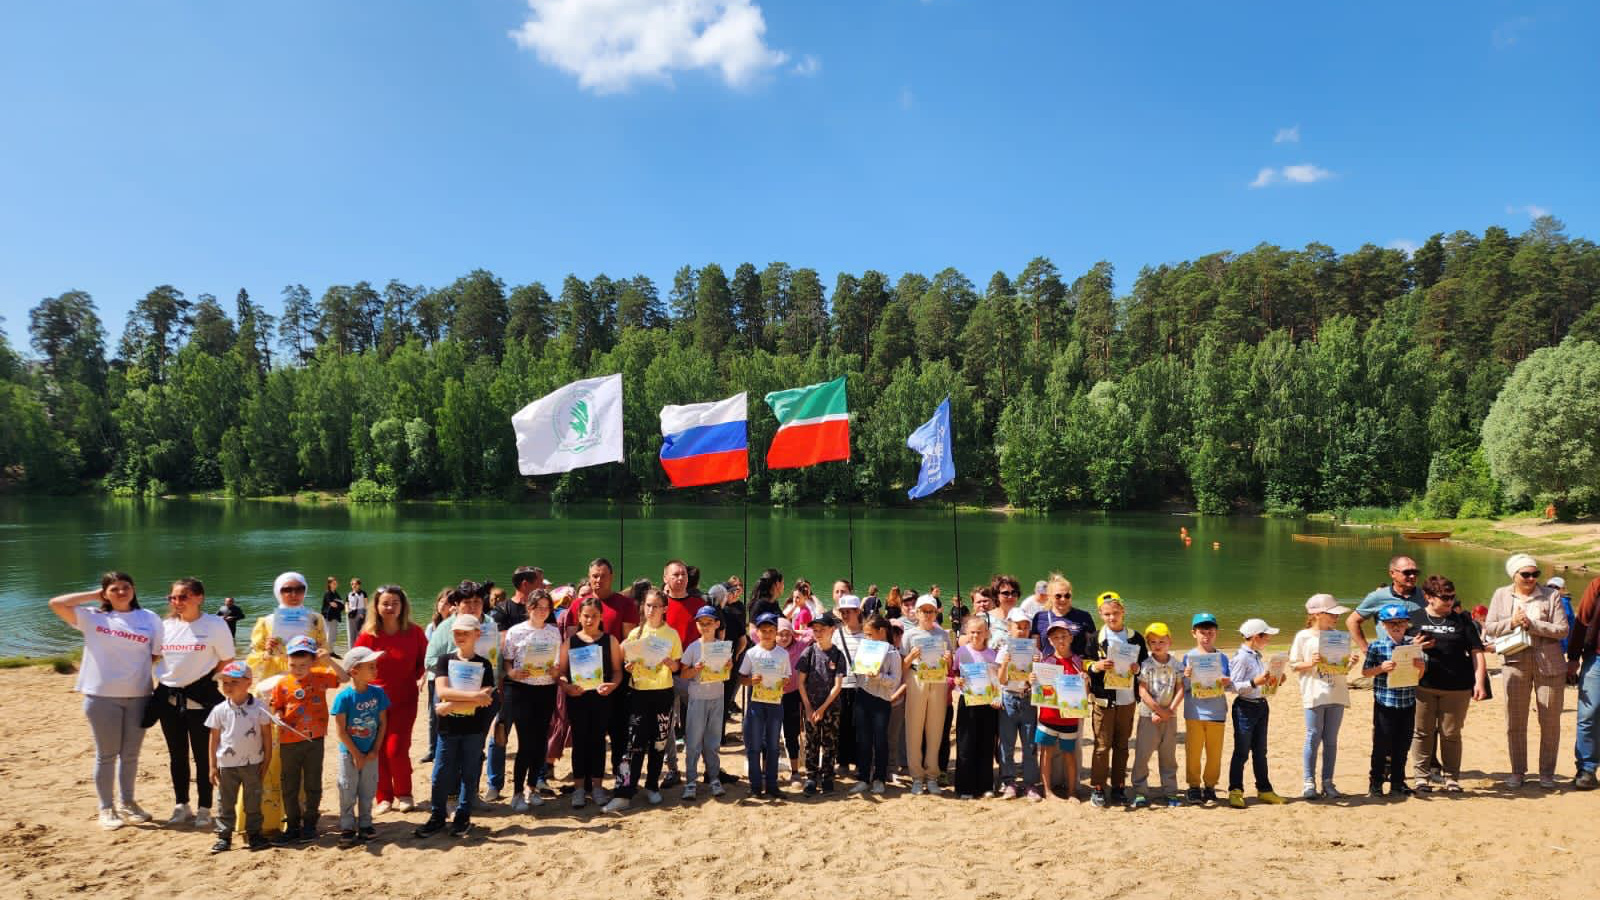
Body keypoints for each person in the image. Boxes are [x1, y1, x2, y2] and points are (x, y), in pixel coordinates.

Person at [49, 572, 162, 830]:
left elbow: (154, 655)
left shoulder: (150, 618)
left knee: (131, 755)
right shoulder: (92, 617)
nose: (121, 592)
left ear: (134, 589)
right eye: (114, 589)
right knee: (107, 755)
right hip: (101, 696)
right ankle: (106, 808)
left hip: (140, 695)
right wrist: (93, 596)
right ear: (105, 593)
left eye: (126, 587)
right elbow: (56, 603)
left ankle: (128, 803)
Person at [243, 571, 327, 837]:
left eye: (298, 589)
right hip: (271, 691)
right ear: (278, 592)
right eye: (287, 589)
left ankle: (300, 816)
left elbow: (324, 654)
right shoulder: (266, 622)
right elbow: (253, 661)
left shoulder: (315, 619)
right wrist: (266, 651)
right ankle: (269, 818)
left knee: (300, 753)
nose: (293, 594)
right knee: (270, 752)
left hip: (303, 692)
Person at [1484, 552, 1570, 789]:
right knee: (1515, 720)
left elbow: (1562, 630)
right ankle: (1518, 771)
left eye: (1535, 574)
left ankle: (1547, 773)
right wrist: (1511, 623)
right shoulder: (1501, 595)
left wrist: (1533, 625)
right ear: (1515, 575)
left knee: (1550, 720)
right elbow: (1490, 628)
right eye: (1526, 574)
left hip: (1549, 664)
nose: (1531, 578)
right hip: (1514, 662)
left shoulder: (1551, 595)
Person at [155, 577, 234, 827]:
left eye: (184, 596)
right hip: (168, 700)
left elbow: (226, 660)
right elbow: (155, 657)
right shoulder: (164, 626)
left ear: (199, 597)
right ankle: (181, 805)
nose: (178, 602)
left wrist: (203, 680)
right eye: (173, 597)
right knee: (177, 755)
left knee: (204, 757)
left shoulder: (215, 625)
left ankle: (204, 807)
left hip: (201, 701)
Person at [415, 614, 496, 838]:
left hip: (473, 728)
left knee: (469, 773)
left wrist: (450, 705)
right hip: (447, 729)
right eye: (456, 633)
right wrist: (466, 699)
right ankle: (437, 815)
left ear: (477, 635)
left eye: (465, 633)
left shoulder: (485, 664)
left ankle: (463, 816)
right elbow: (442, 691)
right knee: (441, 772)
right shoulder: (444, 660)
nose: (459, 636)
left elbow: (486, 699)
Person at [605, 588, 683, 813]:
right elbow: (627, 660)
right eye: (647, 605)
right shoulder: (636, 634)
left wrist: (671, 664)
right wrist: (628, 666)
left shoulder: (671, 634)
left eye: (656, 606)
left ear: (664, 609)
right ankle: (624, 792)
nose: (650, 610)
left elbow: (678, 666)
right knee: (633, 744)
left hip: (663, 692)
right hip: (638, 693)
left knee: (658, 741)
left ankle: (652, 786)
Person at [424, 581, 501, 803]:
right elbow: (429, 660)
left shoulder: (491, 625)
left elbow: (497, 663)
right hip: (452, 695)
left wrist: (492, 688)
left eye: (477, 602)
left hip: (484, 695)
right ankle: (450, 794)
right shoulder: (446, 628)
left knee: (475, 747)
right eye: (467, 602)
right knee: (450, 750)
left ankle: (470, 794)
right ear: (457, 604)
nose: (473, 607)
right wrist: (456, 667)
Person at [353, 584, 428, 814]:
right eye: (385, 603)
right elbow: (354, 666)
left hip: (404, 700)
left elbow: (425, 663)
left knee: (396, 749)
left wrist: (423, 678)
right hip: (372, 703)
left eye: (395, 603)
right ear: (376, 606)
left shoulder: (414, 632)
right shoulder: (368, 636)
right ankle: (383, 796)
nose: (390, 607)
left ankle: (404, 793)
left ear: (402, 606)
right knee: (377, 748)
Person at [1409, 576, 1487, 793]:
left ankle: (1452, 777)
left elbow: (1476, 652)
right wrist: (1415, 647)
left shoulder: (1462, 620)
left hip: (1457, 686)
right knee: (1422, 732)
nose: (1450, 602)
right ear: (1428, 597)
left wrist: (1479, 682)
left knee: (1450, 733)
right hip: (1422, 685)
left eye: (1452, 597)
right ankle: (1421, 777)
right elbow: (1401, 652)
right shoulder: (1414, 618)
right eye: (1444, 598)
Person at [268, 635, 348, 844]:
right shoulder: (282, 683)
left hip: (315, 740)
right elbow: (275, 705)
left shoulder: (321, 676)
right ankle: (293, 825)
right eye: (294, 664)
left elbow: (345, 678)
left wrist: (328, 660)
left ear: (313, 661)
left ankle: (310, 823)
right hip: (288, 741)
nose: (298, 668)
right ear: (287, 661)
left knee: (313, 782)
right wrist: (276, 716)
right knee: (290, 785)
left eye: (304, 664)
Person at [559, 596, 624, 809]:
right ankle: (579, 788)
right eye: (586, 616)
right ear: (579, 616)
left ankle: (597, 786)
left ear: (601, 617)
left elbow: (617, 671)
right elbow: (560, 674)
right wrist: (567, 687)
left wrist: (612, 686)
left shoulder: (610, 640)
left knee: (597, 741)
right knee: (579, 742)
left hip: (601, 698)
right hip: (577, 698)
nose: (590, 620)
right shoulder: (571, 641)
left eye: (594, 616)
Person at [1084, 591, 1147, 808]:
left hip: (1127, 699)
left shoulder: (1135, 637)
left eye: (1116, 613)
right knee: (1102, 746)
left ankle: (1119, 786)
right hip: (1103, 700)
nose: (1112, 618)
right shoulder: (1094, 638)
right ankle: (1099, 788)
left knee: (1122, 746)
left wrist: (1138, 668)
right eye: (1107, 614)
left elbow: (1145, 666)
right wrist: (1096, 666)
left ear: (1123, 611)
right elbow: (1083, 662)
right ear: (1101, 614)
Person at [500, 588, 561, 811]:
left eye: (547, 608)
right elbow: (506, 662)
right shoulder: (516, 631)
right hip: (522, 691)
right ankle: (516, 792)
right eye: (538, 607)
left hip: (546, 689)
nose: (543, 611)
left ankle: (532, 787)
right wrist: (512, 673)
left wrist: (556, 671)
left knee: (540, 742)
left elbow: (556, 662)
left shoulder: (554, 632)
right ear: (529, 608)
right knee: (526, 743)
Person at [1288, 593, 1352, 800]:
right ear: (1317, 614)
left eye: (1336, 614)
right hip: (1314, 694)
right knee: (1313, 736)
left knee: (1331, 740)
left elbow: (1342, 669)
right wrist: (1311, 663)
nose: (1336, 617)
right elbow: (1294, 665)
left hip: (1337, 692)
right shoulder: (1303, 636)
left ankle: (1328, 782)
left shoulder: (1339, 636)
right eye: (1332, 614)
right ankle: (1308, 782)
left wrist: (1351, 663)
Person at [205, 661, 273, 853]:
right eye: (224, 682)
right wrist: (212, 765)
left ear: (248, 682)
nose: (228, 687)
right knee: (226, 801)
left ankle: (255, 834)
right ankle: (224, 836)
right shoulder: (219, 709)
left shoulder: (259, 708)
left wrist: (266, 760)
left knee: (253, 800)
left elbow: (267, 736)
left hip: (253, 763)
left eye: (233, 682)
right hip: (227, 764)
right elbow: (214, 738)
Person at [1362, 604, 1426, 798]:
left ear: (1407, 624)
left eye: (1400, 622)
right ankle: (1376, 782)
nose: (1396, 626)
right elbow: (1365, 672)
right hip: (1385, 702)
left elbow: (1420, 675)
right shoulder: (1376, 646)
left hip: (1407, 701)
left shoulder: (1413, 646)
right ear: (1383, 625)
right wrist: (1381, 668)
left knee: (1403, 744)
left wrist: (1420, 665)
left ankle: (1398, 782)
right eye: (1391, 623)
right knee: (1381, 744)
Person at [331, 645, 389, 847]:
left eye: (375, 666)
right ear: (354, 671)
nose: (376, 670)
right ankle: (347, 825)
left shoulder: (378, 694)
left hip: (371, 752)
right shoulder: (344, 697)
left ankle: (365, 823)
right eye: (370, 666)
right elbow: (340, 730)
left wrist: (375, 749)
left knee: (368, 789)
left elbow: (382, 723)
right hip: (349, 753)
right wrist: (356, 753)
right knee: (347, 788)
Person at [1226, 618, 1285, 809]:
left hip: (1260, 705)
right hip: (1245, 707)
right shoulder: (1242, 657)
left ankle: (1265, 790)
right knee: (1242, 752)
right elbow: (1232, 686)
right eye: (1266, 636)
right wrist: (1255, 682)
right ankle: (1235, 790)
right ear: (1255, 637)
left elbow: (1261, 682)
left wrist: (1276, 680)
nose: (1268, 639)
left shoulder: (1256, 655)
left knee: (1261, 752)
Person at [900, 595, 953, 796]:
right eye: (924, 611)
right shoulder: (909, 635)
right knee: (914, 727)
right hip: (916, 679)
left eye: (931, 611)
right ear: (917, 612)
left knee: (935, 727)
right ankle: (916, 776)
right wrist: (910, 658)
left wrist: (948, 660)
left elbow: (949, 666)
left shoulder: (943, 634)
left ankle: (932, 775)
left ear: (936, 612)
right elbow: (901, 666)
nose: (928, 615)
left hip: (937, 681)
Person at [678, 606, 729, 799]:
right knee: (693, 742)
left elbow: (725, 674)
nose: (705, 626)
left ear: (717, 624)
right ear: (697, 625)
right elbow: (683, 674)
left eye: (709, 623)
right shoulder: (693, 647)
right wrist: (696, 668)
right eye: (701, 623)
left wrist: (728, 666)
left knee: (713, 741)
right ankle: (691, 781)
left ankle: (714, 778)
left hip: (717, 698)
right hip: (697, 699)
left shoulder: (722, 647)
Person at [1130, 622, 1183, 808]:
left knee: (1168, 755)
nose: (1158, 645)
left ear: (1170, 640)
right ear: (1148, 644)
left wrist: (1170, 711)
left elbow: (1180, 688)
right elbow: (1142, 691)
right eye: (1153, 642)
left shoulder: (1176, 664)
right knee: (1143, 754)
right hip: (1148, 716)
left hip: (1170, 716)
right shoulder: (1145, 665)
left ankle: (1170, 791)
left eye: (1162, 641)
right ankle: (1140, 791)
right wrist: (1157, 710)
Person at [1181, 613, 1232, 805]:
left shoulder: (1222, 658)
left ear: (1216, 633)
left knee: (1214, 754)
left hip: (1217, 713)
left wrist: (1227, 682)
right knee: (1193, 752)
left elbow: (1227, 684)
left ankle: (1210, 787)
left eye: (1210, 631)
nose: (1206, 635)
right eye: (1202, 631)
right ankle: (1193, 787)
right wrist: (1186, 676)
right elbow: (1184, 687)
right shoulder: (1188, 657)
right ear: (1193, 633)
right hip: (1194, 712)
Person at [850, 614, 902, 795]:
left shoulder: (892, 653)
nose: (867, 638)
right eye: (865, 635)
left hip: (881, 701)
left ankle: (879, 778)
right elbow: (856, 669)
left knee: (880, 740)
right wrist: (857, 665)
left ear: (882, 631)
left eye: (869, 634)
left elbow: (895, 681)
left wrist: (878, 676)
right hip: (863, 696)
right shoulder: (864, 648)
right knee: (863, 739)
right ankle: (864, 777)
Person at [796, 613, 847, 794]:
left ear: (832, 630)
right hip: (811, 706)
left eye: (822, 629)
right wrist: (809, 708)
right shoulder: (808, 652)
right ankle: (811, 776)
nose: (818, 633)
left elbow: (838, 685)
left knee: (830, 742)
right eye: (815, 630)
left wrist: (823, 708)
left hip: (831, 708)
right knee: (811, 742)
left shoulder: (838, 655)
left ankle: (827, 776)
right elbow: (800, 682)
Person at [741, 612, 792, 798]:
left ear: (776, 632)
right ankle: (755, 786)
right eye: (764, 630)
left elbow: (787, 676)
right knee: (754, 745)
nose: (768, 633)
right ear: (758, 633)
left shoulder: (783, 654)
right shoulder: (751, 653)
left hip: (775, 703)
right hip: (756, 704)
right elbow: (742, 678)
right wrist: (750, 680)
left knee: (773, 746)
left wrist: (784, 682)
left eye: (771, 630)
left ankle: (772, 785)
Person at [994, 604, 1041, 798]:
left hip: (1028, 699)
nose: (1022, 631)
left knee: (1030, 744)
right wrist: (1005, 663)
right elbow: (1001, 680)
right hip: (1009, 699)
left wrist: (1036, 671)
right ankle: (1009, 781)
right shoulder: (1004, 649)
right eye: (1018, 626)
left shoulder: (1034, 650)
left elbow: (1039, 680)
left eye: (1025, 627)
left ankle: (1030, 783)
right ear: (1009, 627)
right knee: (1007, 744)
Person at [952, 615, 1000, 799]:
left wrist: (997, 698)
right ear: (966, 632)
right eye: (972, 632)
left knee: (986, 744)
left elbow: (997, 681)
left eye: (980, 632)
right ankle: (965, 787)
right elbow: (955, 672)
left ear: (987, 633)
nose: (976, 635)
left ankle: (985, 785)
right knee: (965, 744)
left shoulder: (993, 654)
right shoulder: (961, 652)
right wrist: (957, 680)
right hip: (968, 701)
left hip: (988, 704)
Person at [1034, 621, 1082, 801]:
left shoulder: (1078, 661)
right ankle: (1047, 790)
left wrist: (1085, 681)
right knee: (1046, 752)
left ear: (1071, 637)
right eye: (1055, 637)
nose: (1060, 640)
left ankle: (1072, 791)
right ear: (1050, 641)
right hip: (1048, 716)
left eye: (1063, 636)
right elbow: (1040, 690)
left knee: (1070, 754)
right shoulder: (1046, 662)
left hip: (1069, 718)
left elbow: (1083, 691)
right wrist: (1034, 678)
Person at [1346, 556, 1424, 654]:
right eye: (1407, 572)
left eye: (1415, 572)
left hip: (1419, 658)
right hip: (1387, 658)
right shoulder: (1378, 597)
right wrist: (1365, 649)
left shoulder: (1426, 596)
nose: (1412, 576)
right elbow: (1352, 621)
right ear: (1392, 573)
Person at [419, 589, 456, 766]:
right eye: (441, 601)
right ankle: (432, 749)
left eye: (448, 602)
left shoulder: (456, 625)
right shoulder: (432, 626)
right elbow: (427, 653)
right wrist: (423, 677)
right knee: (433, 715)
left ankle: (445, 748)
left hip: (452, 676)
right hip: (434, 675)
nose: (444, 605)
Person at [1570, 578, 1600, 790]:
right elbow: (1582, 620)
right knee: (1588, 714)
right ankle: (1587, 769)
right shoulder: (1597, 584)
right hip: (1597, 658)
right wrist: (1573, 657)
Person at [833, 585, 863, 775]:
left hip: (862, 686)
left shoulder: (867, 634)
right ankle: (842, 761)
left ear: (857, 611)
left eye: (848, 612)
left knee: (860, 727)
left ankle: (860, 762)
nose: (845, 615)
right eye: (842, 612)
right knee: (842, 725)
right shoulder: (837, 634)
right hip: (842, 685)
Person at [1031, 574, 1096, 660]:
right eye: (1058, 596)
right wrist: (1035, 658)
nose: (1063, 599)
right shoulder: (1039, 617)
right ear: (1049, 596)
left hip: (1077, 669)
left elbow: (1093, 649)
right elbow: (1035, 649)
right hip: (1049, 669)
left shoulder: (1084, 616)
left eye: (1067, 596)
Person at [776, 618, 807, 786]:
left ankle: (795, 771)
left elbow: (811, 634)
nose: (784, 637)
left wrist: (797, 632)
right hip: (772, 696)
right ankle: (769, 769)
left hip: (792, 695)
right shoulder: (769, 648)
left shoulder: (799, 646)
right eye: (780, 634)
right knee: (771, 734)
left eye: (787, 634)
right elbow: (753, 631)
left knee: (791, 733)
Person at [320, 577, 345, 654]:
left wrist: (339, 604)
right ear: (329, 584)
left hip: (335, 616)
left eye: (336, 583)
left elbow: (342, 605)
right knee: (329, 634)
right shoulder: (328, 593)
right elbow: (333, 604)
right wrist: (339, 604)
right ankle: (327, 652)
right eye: (334, 583)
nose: (336, 584)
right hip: (328, 616)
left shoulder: (336, 593)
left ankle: (331, 651)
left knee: (334, 634)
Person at [346, 578, 368, 645]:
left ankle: (359, 648)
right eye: (352, 584)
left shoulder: (363, 593)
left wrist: (364, 613)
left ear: (359, 585)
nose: (354, 585)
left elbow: (366, 604)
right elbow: (346, 603)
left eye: (356, 584)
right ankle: (351, 650)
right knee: (351, 633)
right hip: (351, 613)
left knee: (360, 632)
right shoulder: (349, 594)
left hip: (360, 612)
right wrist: (347, 610)